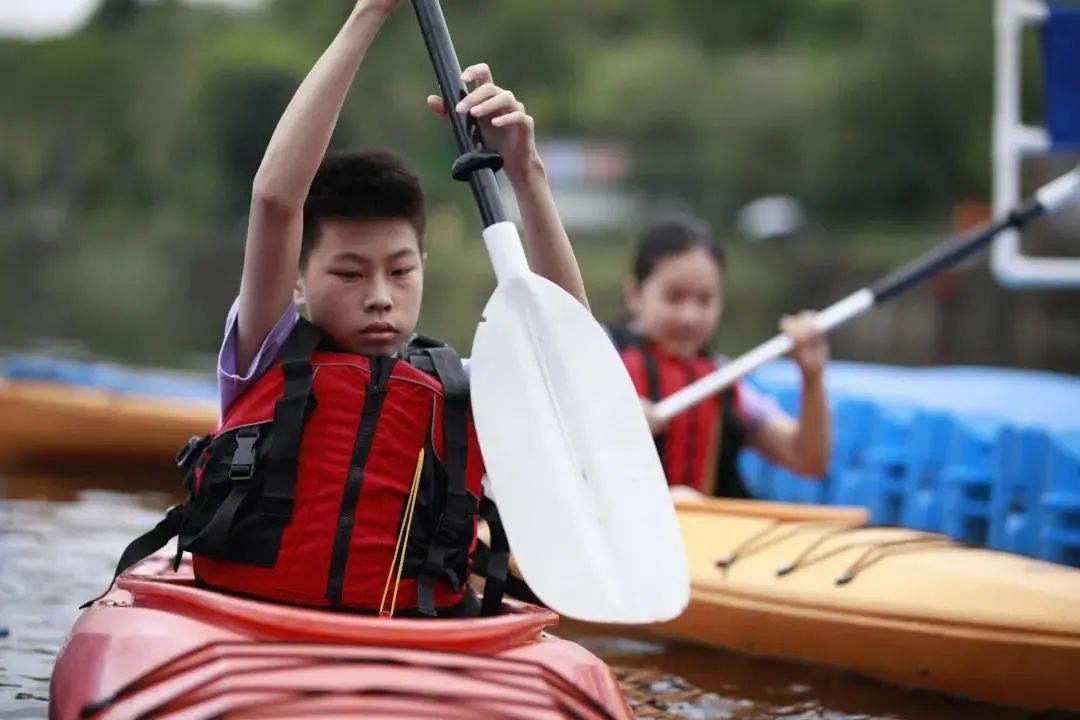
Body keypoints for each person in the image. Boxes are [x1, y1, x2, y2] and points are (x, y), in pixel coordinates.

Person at [97, 0, 587, 618]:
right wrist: (370, 14)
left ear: (423, 270)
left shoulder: (469, 388)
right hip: (248, 628)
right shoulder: (263, 352)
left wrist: (526, 169)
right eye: (349, 273)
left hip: (421, 644)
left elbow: (570, 355)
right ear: (298, 284)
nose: (380, 294)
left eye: (400, 271)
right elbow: (277, 198)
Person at [610, 217, 831, 499]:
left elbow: (807, 461)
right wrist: (611, 423)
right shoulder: (600, 359)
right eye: (673, 298)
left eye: (704, 300)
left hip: (705, 533)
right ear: (635, 294)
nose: (689, 317)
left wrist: (812, 376)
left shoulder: (724, 378)